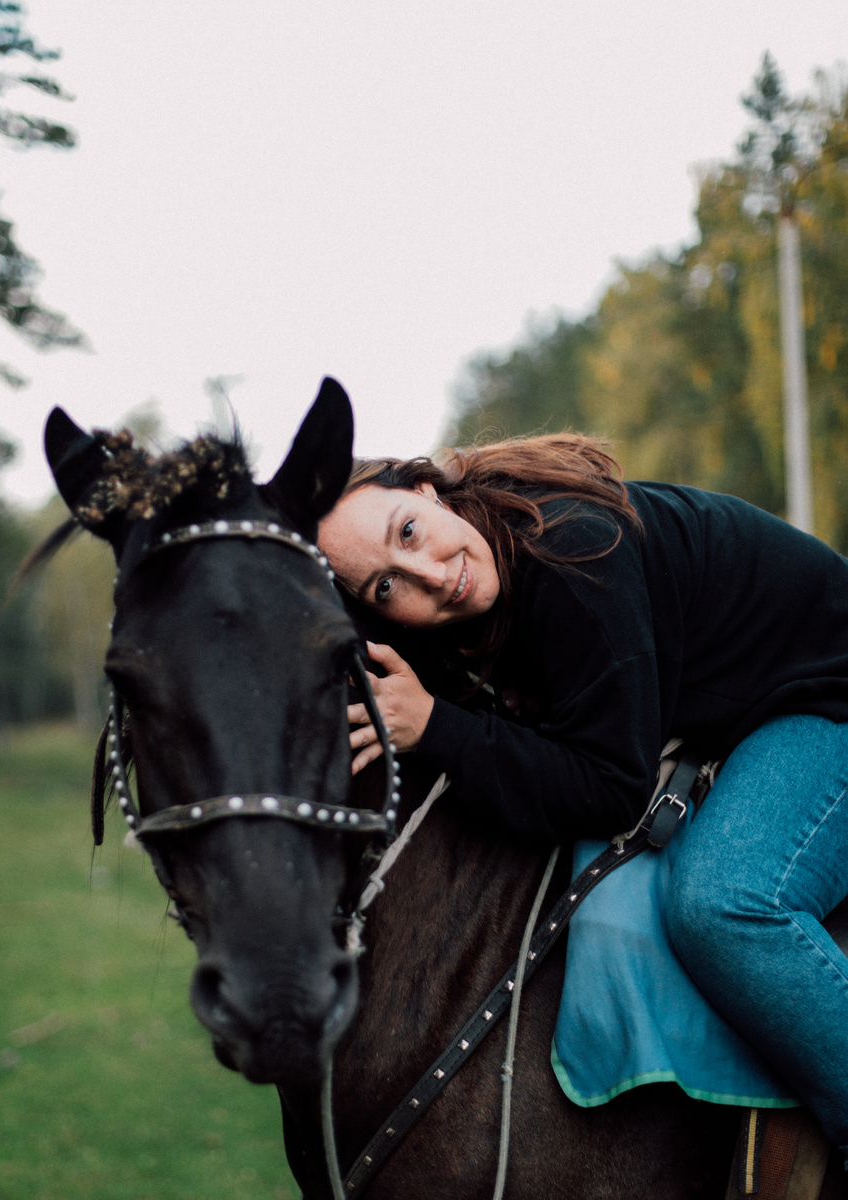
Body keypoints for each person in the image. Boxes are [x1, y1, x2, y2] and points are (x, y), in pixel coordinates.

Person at [316, 432, 848, 1166]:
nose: (427, 574)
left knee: (725, 903)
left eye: (407, 532)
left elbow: (609, 791)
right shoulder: (478, 577)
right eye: (385, 587)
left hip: (828, 693)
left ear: (426, 491)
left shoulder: (570, 549)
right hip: (744, 709)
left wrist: (436, 727)